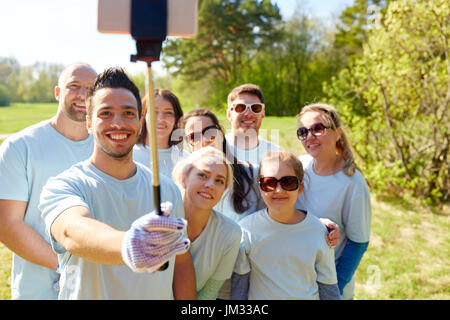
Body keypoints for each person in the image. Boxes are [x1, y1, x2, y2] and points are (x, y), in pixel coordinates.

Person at [38, 67, 195, 299]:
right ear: (89, 124)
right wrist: (129, 244)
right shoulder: (64, 186)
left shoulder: (167, 189)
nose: (118, 123)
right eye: (105, 113)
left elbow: (181, 263)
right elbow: (72, 231)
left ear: (140, 123)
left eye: (129, 113)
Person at [0, 62, 97, 299]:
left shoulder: (110, 148)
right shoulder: (20, 146)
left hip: (98, 289)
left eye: (91, 88)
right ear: (57, 92)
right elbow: (6, 222)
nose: (83, 95)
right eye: (74, 86)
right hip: (37, 292)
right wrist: (66, 267)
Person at [230, 150, 341, 300]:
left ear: (300, 188)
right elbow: (239, 290)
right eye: (269, 183)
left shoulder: (320, 232)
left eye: (288, 182)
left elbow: (328, 289)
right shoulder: (247, 230)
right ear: (260, 189)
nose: (279, 190)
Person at [295, 103, 371, 300]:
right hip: (295, 283)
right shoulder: (298, 168)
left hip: (329, 287)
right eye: (303, 131)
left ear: (337, 133)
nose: (309, 136)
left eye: (318, 129)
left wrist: (334, 289)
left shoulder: (352, 182)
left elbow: (358, 242)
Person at [172, 146, 242, 300]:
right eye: (203, 175)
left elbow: (209, 293)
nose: (210, 185)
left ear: (224, 189)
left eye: (219, 180)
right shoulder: (163, 219)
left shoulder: (230, 233)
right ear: (184, 177)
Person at [134, 89, 189, 177]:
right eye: (154, 112)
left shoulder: (186, 159)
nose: (161, 118)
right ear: (143, 116)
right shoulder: (129, 156)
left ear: (176, 119)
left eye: (168, 113)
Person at [225, 83, 281, 167]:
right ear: (229, 114)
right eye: (240, 108)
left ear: (262, 114)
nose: (248, 113)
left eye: (255, 108)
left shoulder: (277, 155)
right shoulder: (217, 150)